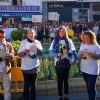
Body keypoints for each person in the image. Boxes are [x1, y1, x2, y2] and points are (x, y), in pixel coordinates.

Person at [49, 26, 77, 100]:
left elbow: (73, 51)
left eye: (63, 31)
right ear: (58, 32)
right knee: (59, 80)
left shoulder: (69, 40)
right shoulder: (55, 41)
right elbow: (50, 51)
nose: (62, 32)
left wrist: (75, 59)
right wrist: (56, 54)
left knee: (66, 79)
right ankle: (60, 95)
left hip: (67, 62)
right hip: (58, 63)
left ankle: (66, 95)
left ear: (65, 32)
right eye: (60, 31)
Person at [18, 29, 43, 100]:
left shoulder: (37, 42)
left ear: (34, 34)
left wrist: (37, 48)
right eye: (29, 33)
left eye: (32, 33)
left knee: (33, 84)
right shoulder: (23, 43)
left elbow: (41, 54)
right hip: (26, 67)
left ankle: (33, 98)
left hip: (35, 66)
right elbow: (19, 54)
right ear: (27, 34)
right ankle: (26, 98)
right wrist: (25, 52)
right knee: (27, 84)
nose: (31, 34)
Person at [78, 30, 100, 100]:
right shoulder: (82, 45)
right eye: (85, 38)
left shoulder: (96, 46)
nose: (86, 40)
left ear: (91, 38)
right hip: (84, 68)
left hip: (93, 69)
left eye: (87, 38)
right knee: (88, 85)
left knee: (91, 85)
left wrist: (93, 56)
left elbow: (99, 56)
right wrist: (80, 56)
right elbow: (79, 55)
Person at [0, 29, 14, 100]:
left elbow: (13, 57)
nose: (2, 38)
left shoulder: (8, 45)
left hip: (6, 70)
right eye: (0, 37)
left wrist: (10, 57)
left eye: (4, 37)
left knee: (7, 89)